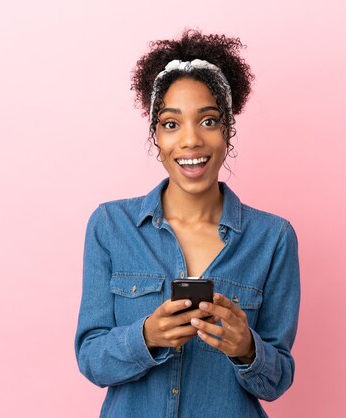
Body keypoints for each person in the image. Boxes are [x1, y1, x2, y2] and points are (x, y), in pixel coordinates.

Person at [75, 29, 300, 418]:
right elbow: (91, 359)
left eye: (208, 121)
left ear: (227, 130)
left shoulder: (273, 238)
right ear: (155, 136)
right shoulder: (110, 226)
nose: (191, 140)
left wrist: (246, 347)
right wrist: (145, 337)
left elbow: (276, 380)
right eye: (171, 124)